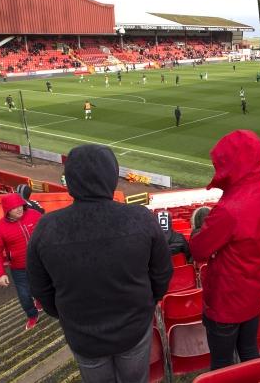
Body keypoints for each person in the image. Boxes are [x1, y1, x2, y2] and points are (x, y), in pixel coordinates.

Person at [27, 145, 173, 383]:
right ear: (112, 176)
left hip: (85, 333)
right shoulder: (140, 218)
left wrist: (67, 315)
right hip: (132, 327)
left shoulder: (47, 228)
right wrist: (146, 303)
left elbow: (40, 288)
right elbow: (163, 275)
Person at [189, 130, 260, 371]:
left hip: (227, 300)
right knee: (249, 351)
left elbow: (199, 250)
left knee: (222, 364)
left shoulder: (229, 209)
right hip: (254, 291)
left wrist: (197, 229)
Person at [0, 193, 42, 330]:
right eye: (14, 207)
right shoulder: (0, 228)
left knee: (45, 286)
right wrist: (0, 273)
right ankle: (32, 315)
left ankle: (41, 300)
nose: (19, 209)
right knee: (24, 295)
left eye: (20, 205)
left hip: (41, 263)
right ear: (7, 210)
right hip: (19, 268)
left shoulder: (34, 215)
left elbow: (48, 232)